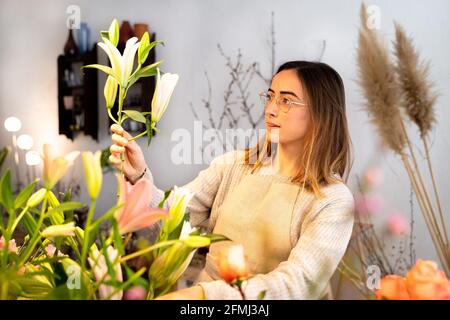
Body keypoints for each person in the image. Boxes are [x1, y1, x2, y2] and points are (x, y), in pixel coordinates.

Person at [109, 61, 355, 300]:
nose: (270, 109)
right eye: (270, 96)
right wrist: (139, 176)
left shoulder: (333, 200)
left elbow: (297, 286)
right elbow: (173, 216)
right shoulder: (236, 166)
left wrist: (203, 295)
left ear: (320, 114)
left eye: (286, 101)